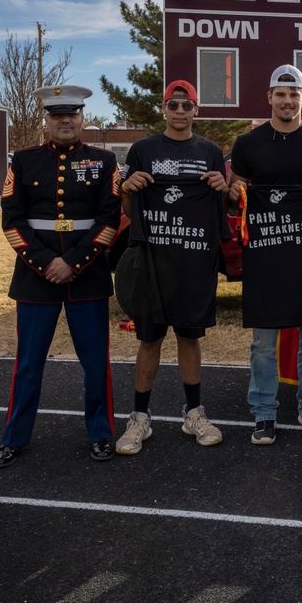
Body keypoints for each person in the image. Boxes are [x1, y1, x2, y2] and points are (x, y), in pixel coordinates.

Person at [0, 85, 122, 468]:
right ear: (46, 120)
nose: (65, 121)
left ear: (83, 117)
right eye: (57, 115)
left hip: (88, 276)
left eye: (72, 114)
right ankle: (14, 437)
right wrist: (48, 263)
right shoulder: (24, 162)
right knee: (28, 364)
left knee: (96, 362)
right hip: (36, 277)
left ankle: (101, 434)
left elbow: (109, 220)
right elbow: (12, 221)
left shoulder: (104, 162)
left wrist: (74, 263)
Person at [227, 64, 302, 445]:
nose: (287, 100)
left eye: (293, 94)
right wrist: (233, 194)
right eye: (280, 94)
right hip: (265, 259)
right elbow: (237, 197)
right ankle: (264, 413)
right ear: (269, 98)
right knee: (263, 342)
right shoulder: (248, 144)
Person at [115, 80, 231, 455]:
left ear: (196, 111)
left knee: (188, 337)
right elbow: (130, 211)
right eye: (173, 105)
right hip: (152, 261)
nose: (180, 111)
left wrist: (222, 187)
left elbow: (225, 207)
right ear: (163, 109)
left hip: (193, 261)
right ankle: (139, 417)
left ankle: (194, 413)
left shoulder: (211, 152)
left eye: (187, 105)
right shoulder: (143, 149)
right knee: (149, 339)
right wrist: (127, 187)